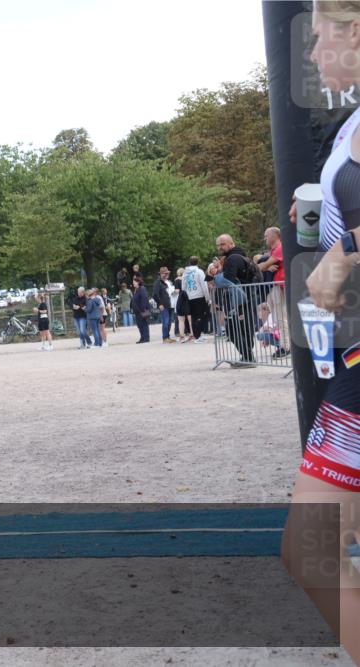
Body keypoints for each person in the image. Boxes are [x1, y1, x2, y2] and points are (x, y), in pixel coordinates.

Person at [282, 4, 360, 662]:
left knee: (313, 544)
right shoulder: (349, 128)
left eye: (316, 38)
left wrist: (346, 249)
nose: (310, 56)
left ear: (354, 31)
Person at [214, 234, 258, 366]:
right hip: (245, 298)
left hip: (240, 300)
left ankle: (248, 358)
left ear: (231, 243)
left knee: (233, 329)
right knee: (244, 329)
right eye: (218, 245)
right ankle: (247, 356)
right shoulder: (242, 257)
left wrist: (216, 278)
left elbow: (228, 279)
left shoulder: (232, 259)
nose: (220, 247)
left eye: (222, 244)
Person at [257, 226, 290, 359]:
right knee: (279, 318)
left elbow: (259, 267)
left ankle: (285, 347)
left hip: (281, 286)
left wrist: (265, 266)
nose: (265, 238)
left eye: (266, 235)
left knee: (281, 317)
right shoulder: (274, 251)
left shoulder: (279, 248)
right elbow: (260, 267)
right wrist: (265, 266)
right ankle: (284, 345)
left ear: (274, 235)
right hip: (277, 286)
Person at [182, 256, 212, 342]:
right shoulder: (199, 271)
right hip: (199, 296)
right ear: (197, 262)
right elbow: (204, 285)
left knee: (194, 317)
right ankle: (198, 336)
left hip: (190, 297)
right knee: (200, 316)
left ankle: (196, 335)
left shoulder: (185, 273)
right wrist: (207, 297)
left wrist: (188, 294)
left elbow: (183, 287)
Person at [153, 267, 176, 343]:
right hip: (163, 305)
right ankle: (165, 337)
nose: (167, 274)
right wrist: (160, 304)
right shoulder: (158, 282)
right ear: (161, 274)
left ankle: (167, 337)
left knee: (169, 322)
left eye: (168, 273)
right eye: (165, 273)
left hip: (170, 304)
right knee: (165, 321)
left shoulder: (168, 282)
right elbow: (155, 295)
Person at [131, 276, 151, 343]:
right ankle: (142, 338)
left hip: (142, 310)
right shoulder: (136, 290)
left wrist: (143, 309)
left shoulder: (142, 289)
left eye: (134, 282)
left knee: (144, 324)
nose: (133, 283)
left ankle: (146, 338)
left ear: (138, 282)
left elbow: (144, 299)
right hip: (137, 311)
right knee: (139, 325)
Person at [175, 277, 193, 343]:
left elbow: (177, 291)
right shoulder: (190, 279)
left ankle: (182, 337)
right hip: (189, 300)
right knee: (190, 320)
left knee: (181, 320)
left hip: (181, 301)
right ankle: (192, 335)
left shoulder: (177, 280)